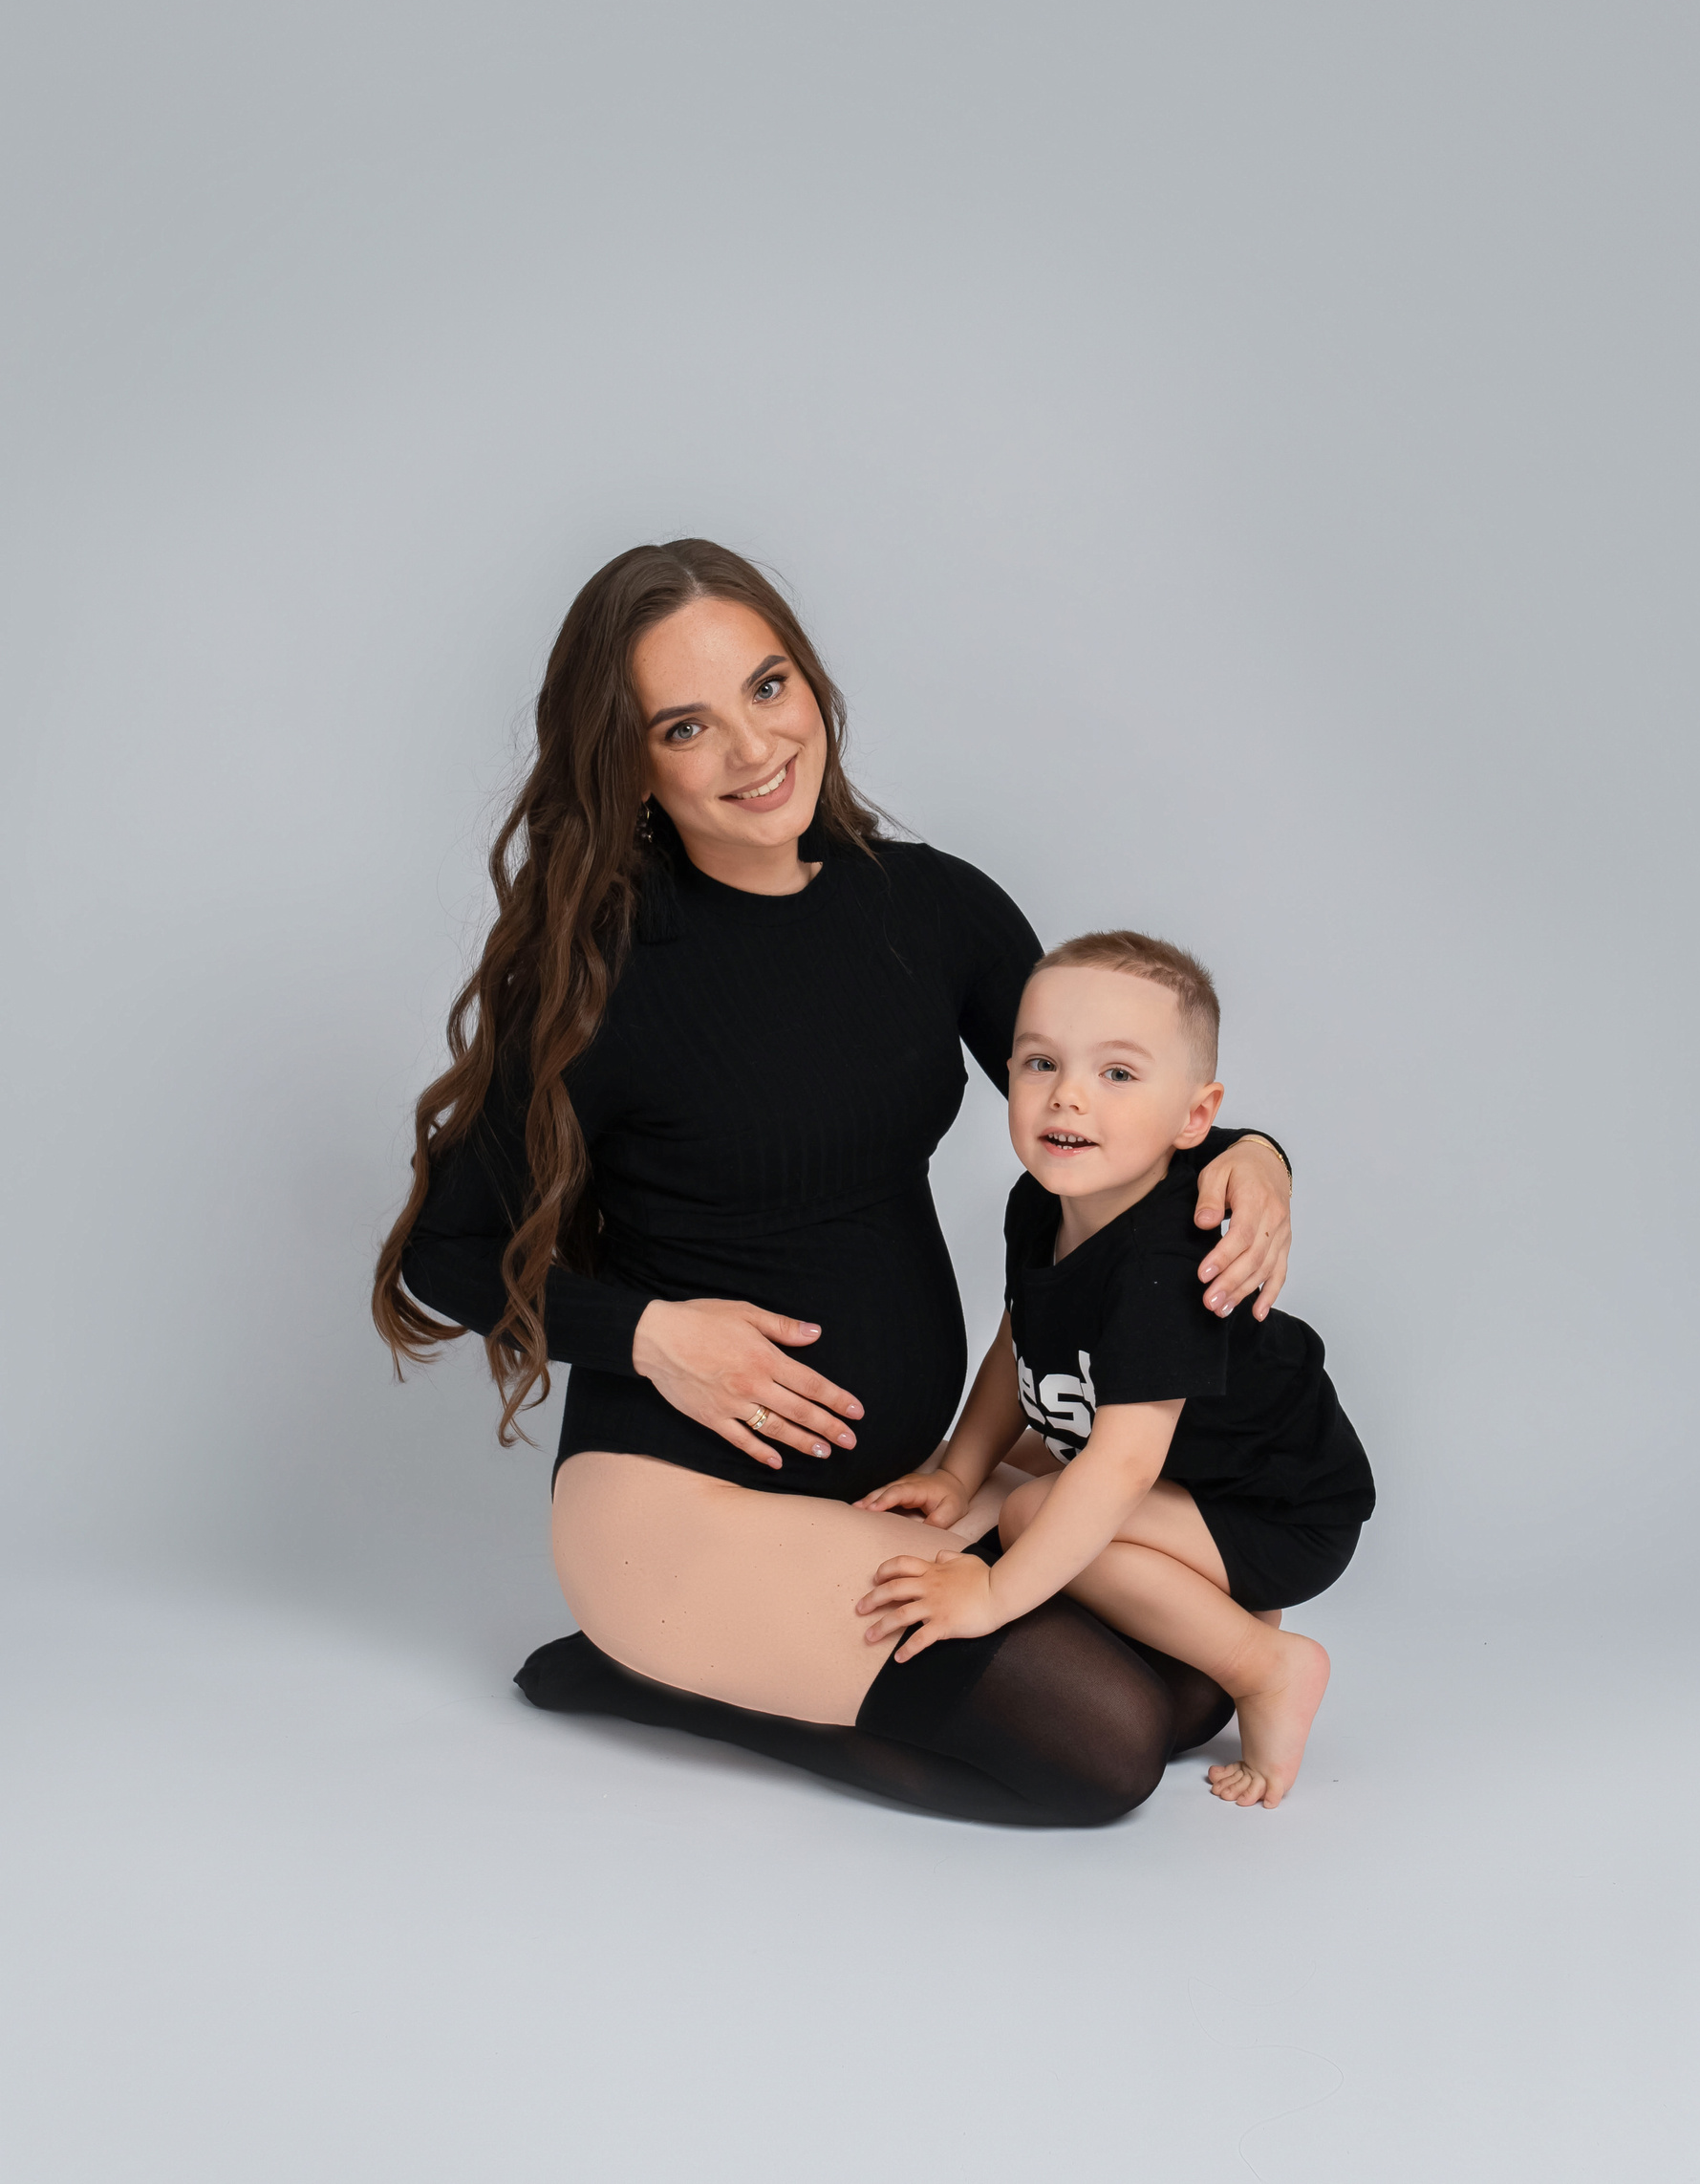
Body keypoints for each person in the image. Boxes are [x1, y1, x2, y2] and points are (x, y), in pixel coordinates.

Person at [373, 539, 1300, 1827]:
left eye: (768, 687)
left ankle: (722, 1661)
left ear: (811, 682)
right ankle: (648, 1669)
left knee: (1209, 1666)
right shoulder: (598, 977)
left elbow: (1099, 1111)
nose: (755, 748)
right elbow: (443, 1256)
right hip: (676, 1507)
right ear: (630, 763)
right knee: (1105, 1746)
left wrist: (1252, 1153)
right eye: (686, 725)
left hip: (890, 1481)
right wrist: (652, 1335)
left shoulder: (935, 910)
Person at [854, 931, 1373, 1808]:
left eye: (1118, 1073)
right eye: (1040, 1063)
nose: (1068, 1095)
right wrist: (957, 1471)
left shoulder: (1163, 1262)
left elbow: (1126, 1463)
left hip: (1283, 1516)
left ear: (1195, 1119)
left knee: (1033, 1512)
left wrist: (993, 1595)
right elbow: (1021, 1341)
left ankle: (1266, 1664)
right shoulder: (1041, 1202)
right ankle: (1212, 1609)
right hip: (1195, 1472)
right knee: (1022, 1482)